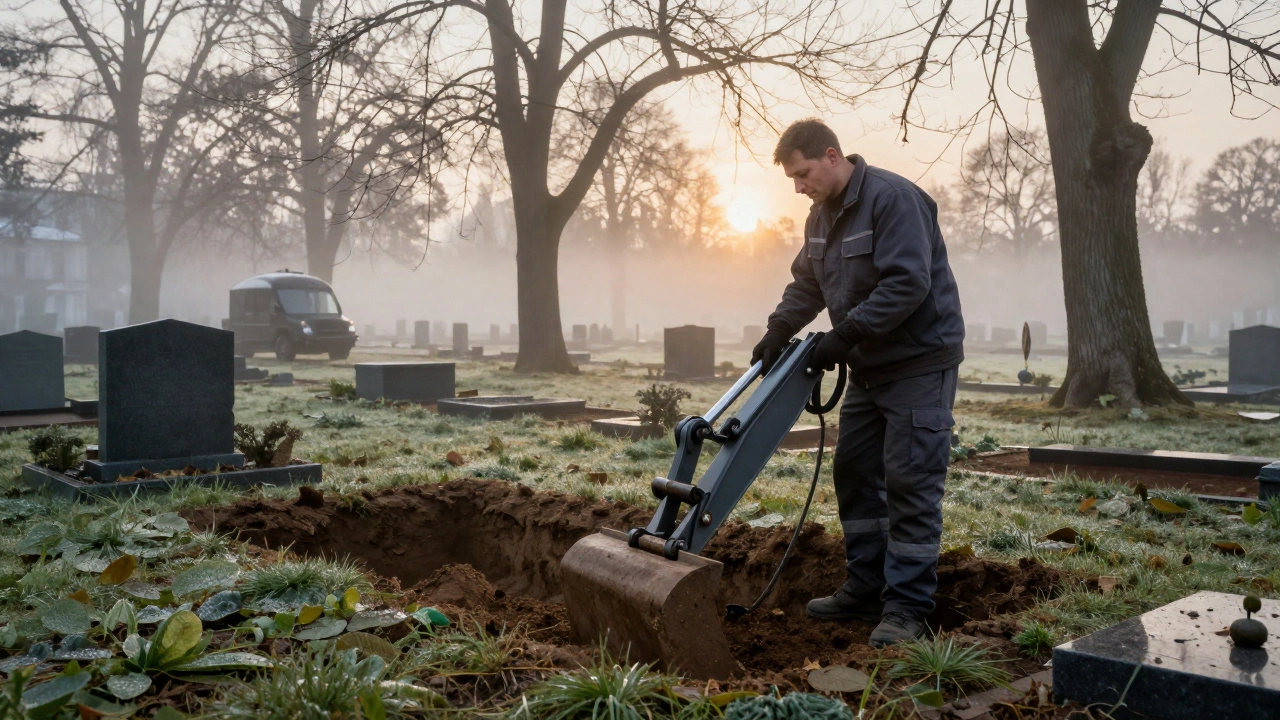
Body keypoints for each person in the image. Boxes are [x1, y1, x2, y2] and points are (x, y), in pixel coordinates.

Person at [751, 119, 965, 647]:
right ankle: (867, 588)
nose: (799, 187)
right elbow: (808, 283)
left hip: (917, 364)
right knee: (854, 473)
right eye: (792, 179)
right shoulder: (820, 216)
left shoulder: (894, 200)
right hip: (870, 367)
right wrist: (779, 328)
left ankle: (908, 607)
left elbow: (907, 284)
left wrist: (843, 336)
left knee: (910, 480)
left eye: (803, 174)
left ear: (831, 155)